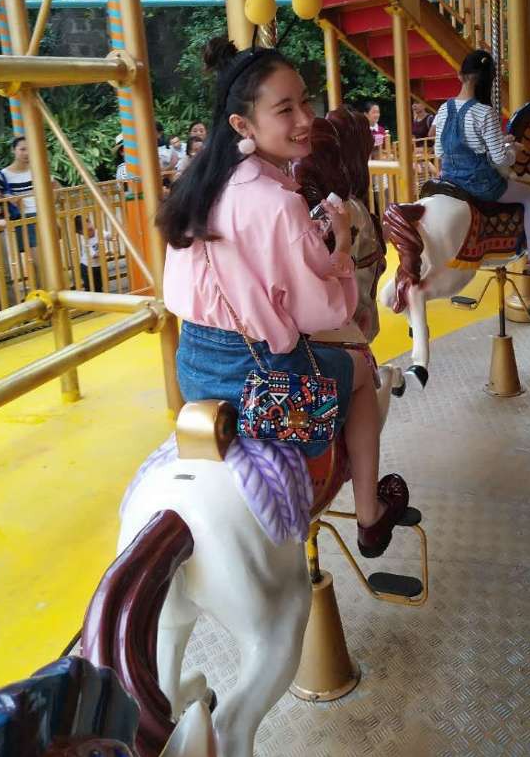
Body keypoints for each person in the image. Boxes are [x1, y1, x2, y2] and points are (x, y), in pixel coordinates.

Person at [158, 36, 410, 558]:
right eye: (285, 109)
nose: (305, 119)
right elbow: (328, 311)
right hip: (257, 382)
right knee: (360, 368)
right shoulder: (276, 202)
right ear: (242, 125)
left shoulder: (198, 186)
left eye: (305, 102)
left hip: (196, 369)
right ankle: (370, 515)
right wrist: (342, 245)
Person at [434, 49, 530, 277]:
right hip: (479, 183)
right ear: (488, 81)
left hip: (449, 179)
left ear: (460, 75)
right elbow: (500, 159)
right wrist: (512, 150)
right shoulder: (484, 112)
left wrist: (499, 142)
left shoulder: (443, 109)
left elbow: (439, 151)